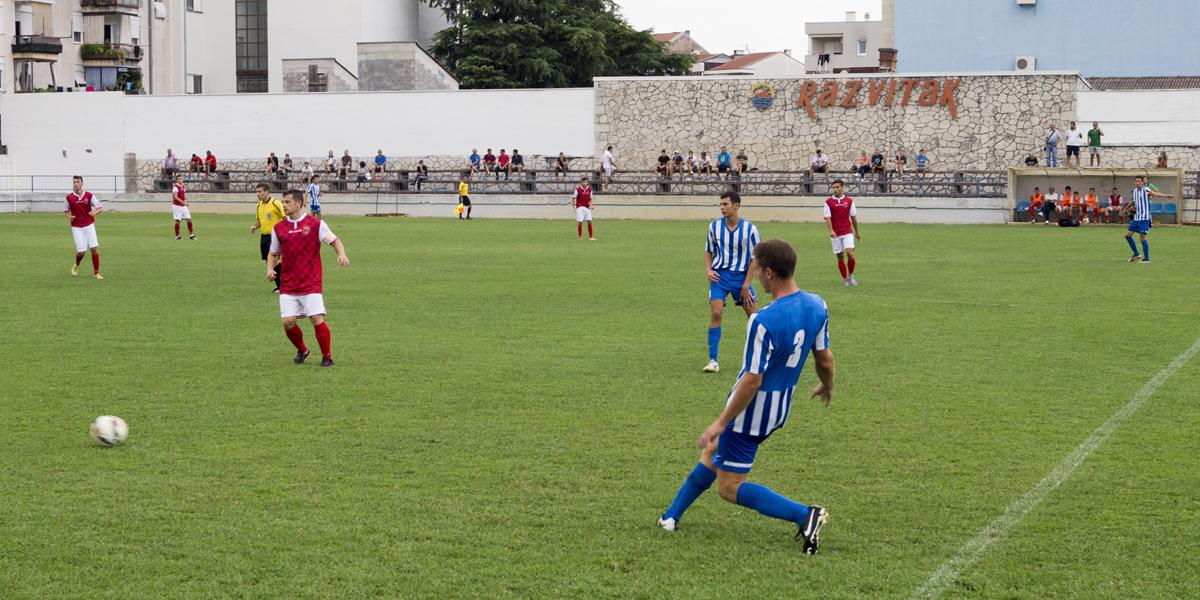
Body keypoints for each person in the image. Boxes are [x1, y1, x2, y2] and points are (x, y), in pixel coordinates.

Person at [658, 238, 834, 556]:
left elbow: (752, 380)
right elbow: (824, 359)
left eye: (756, 267)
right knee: (712, 453)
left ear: (769, 272)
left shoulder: (763, 320)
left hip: (749, 413)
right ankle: (670, 516)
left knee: (729, 487)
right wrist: (827, 386)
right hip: (779, 408)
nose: (753, 273)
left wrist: (721, 421)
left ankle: (804, 514)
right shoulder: (817, 305)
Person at [266, 189, 349, 368]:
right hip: (288, 283)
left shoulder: (316, 224)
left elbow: (334, 241)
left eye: (287, 202)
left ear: (299, 203)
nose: (284, 205)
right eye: (283, 202)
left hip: (311, 282)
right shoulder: (278, 228)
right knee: (288, 322)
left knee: (316, 318)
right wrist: (270, 269)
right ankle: (303, 350)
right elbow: (273, 253)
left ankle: (327, 356)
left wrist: (341, 254)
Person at [702, 191, 761, 374]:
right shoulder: (714, 227)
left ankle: (762, 357)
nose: (721, 208)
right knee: (716, 313)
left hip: (742, 278)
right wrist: (709, 270)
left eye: (725, 204)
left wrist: (746, 285)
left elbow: (756, 259)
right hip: (720, 277)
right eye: (720, 204)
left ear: (736, 205)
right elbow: (708, 251)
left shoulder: (750, 229)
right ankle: (713, 360)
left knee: (755, 318)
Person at [1122, 175, 1174, 263]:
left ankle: (1146, 259)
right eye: (1136, 181)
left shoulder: (1146, 190)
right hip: (1137, 218)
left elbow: (1156, 194)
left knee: (1142, 238)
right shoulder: (1135, 191)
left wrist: (1167, 195)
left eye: (1139, 181)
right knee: (1127, 236)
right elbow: (1133, 201)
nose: (1137, 183)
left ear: (1143, 182)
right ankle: (1136, 254)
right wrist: (1126, 209)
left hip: (1144, 218)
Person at [65, 175, 103, 279]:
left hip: (89, 225)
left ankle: (96, 273)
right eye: (74, 182)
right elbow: (66, 210)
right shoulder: (69, 197)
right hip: (77, 227)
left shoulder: (89, 195)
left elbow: (100, 208)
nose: (76, 184)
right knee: (81, 252)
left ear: (82, 183)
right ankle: (76, 264)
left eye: (78, 182)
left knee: (94, 248)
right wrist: (69, 217)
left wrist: (94, 212)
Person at [824, 180, 861, 286]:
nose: (835, 189)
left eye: (837, 187)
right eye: (833, 187)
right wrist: (831, 231)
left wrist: (857, 232)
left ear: (842, 187)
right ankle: (845, 279)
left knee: (850, 254)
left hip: (847, 232)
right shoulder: (828, 202)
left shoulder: (849, 201)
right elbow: (827, 218)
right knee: (840, 256)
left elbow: (853, 217)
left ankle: (851, 276)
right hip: (836, 233)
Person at [250, 182, 285, 293]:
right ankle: (280, 285)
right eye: (256, 192)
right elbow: (260, 221)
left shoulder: (276, 203)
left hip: (275, 236)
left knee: (274, 261)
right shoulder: (259, 206)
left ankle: (282, 285)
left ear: (266, 192)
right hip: (264, 237)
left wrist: (282, 232)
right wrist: (255, 226)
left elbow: (284, 217)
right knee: (268, 262)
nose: (257, 194)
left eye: (260, 191)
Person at [171, 173, 196, 240]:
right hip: (177, 206)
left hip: (183, 206)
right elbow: (175, 197)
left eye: (181, 179)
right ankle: (177, 236)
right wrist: (183, 202)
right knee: (178, 221)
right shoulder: (175, 187)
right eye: (179, 179)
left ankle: (191, 235)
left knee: (189, 219)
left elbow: (183, 195)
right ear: (177, 180)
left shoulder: (183, 186)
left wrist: (186, 199)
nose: (180, 180)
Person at [572, 176, 595, 241]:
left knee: (589, 221)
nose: (585, 183)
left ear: (587, 183)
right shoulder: (577, 190)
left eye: (586, 182)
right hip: (580, 207)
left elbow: (591, 198)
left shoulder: (589, 189)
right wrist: (574, 208)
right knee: (580, 222)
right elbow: (573, 198)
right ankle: (580, 237)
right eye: (584, 182)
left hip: (587, 207)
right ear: (581, 183)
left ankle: (591, 237)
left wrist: (591, 205)